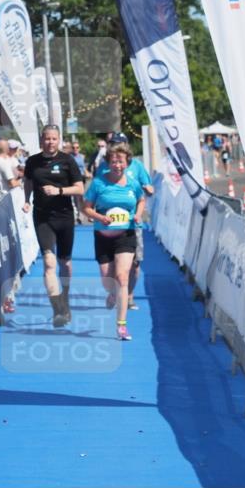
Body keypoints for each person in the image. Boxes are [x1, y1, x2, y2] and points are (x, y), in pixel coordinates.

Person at [81, 141, 146, 341]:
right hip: (103, 235)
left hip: (126, 235)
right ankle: (112, 294)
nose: (117, 165)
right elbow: (86, 207)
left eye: (121, 161)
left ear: (127, 162)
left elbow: (141, 200)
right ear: (108, 162)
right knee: (108, 280)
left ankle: (122, 326)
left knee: (122, 277)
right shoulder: (99, 183)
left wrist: (137, 215)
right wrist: (100, 218)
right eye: (114, 161)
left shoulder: (133, 183)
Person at [23, 124, 84, 327]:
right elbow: (28, 182)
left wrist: (58, 191)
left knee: (64, 263)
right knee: (49, 263)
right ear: (42, 140)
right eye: (47, 139)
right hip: (42, 217)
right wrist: (26, 199)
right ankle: (57, 309)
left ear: (59, 140)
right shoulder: (33, 161)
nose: (50, 142)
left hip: (64, 217)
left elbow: (79, 188)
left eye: (54, 139)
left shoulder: (68, 161)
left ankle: (65, 298)